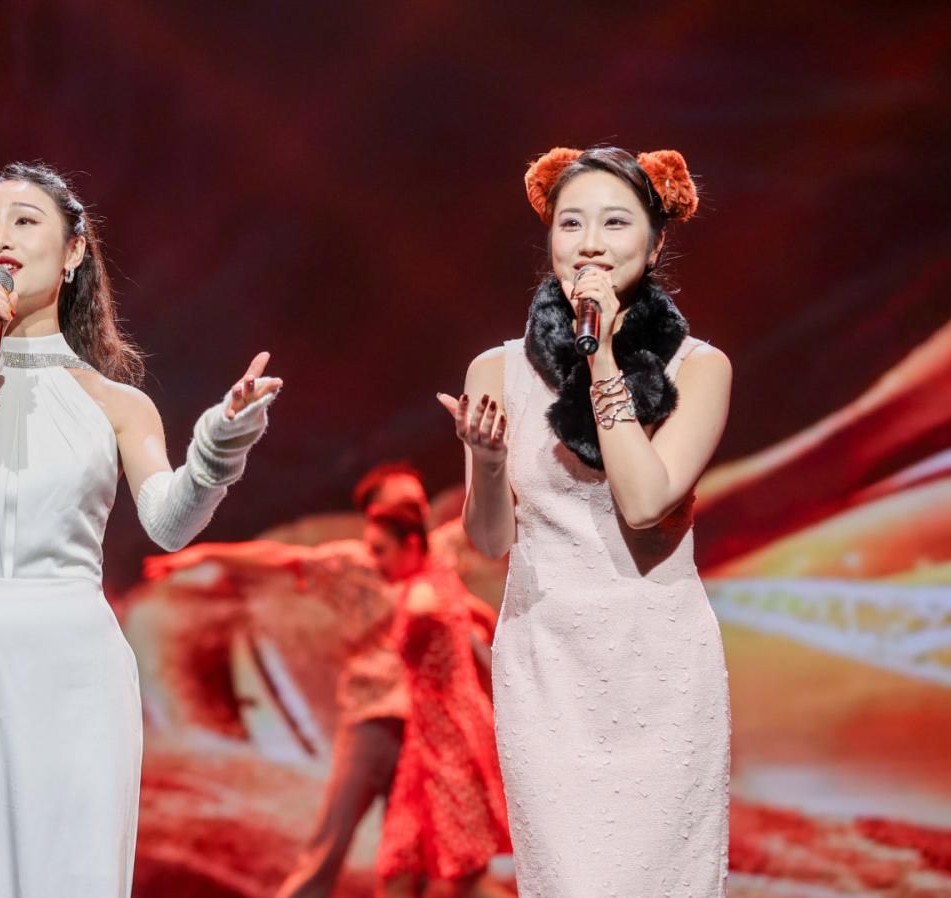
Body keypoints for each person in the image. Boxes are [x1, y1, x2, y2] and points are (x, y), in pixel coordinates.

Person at [0, 162, 280, 898]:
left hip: (75, 669)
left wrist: (219, 447)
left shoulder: (117, 404)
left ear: (73, 253)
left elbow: (168, 523)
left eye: (24, 220)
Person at [437, 145, 732, 896]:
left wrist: (599, 358)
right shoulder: (496, 370)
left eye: (614, 223)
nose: (590, 243)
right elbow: (490, 541)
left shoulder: (701, 368)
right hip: (547, 666)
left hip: (659, 667)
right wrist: (488, 460)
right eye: (571, 223)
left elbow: (644, 500)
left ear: (655, 244)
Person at [144, 462, 496, 898]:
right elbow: (283, 558)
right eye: (405, 504)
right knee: (332, 842)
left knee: (414, 858)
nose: (418, 512)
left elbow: (481, 534)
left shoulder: (438, 557)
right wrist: (206, 554)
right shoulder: (356, 562)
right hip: (373, 719)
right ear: (376, 515)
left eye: (420, 504)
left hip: (429, 732)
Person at [364, 501, 509, 898]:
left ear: (411, 545)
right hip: (423, 744)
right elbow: (478, 616)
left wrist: (421, 606)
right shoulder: (441, 577)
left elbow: (425, 604)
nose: (374, 562)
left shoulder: (425, 586)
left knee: (465, 876)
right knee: (397, 862)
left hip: (451, 742)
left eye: (380, 551)